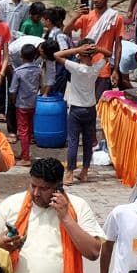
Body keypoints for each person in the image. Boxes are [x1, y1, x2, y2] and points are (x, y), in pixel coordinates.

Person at [54, 40, 108, 184]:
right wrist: (97, 48)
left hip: (76, 110)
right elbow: (109, 56)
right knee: (87, 142)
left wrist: (77, 49)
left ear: (80, 54)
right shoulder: (95, 68)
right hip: (90, 109)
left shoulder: (76, 68)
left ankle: (70, 173)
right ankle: (84, 172)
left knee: (73, 141)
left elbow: (57, 55)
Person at [11, 43, 43, 164]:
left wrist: (14, 100)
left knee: (23, 130)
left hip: (22, 103)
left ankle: (25, 158)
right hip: (34, 103)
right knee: (29, 129)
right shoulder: (38, 70)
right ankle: (25, 152)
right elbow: (42, 84)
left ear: (21, 56)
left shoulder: (18, 71)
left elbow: (13, 89)